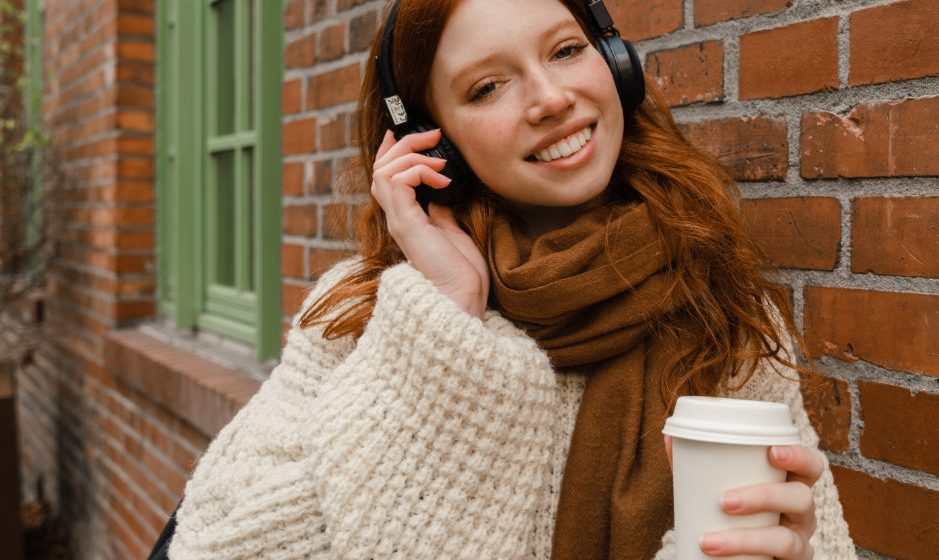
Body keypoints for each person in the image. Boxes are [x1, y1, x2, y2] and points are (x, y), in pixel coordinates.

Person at [168, 0, 857, 558]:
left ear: (616, 63)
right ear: (433, 139)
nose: (552, 98)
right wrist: (447, 325)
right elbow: (222, 545)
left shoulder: (721, 308)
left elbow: (811, 537)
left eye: (565, 50)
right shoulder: (365, 313)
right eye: (488, 87)